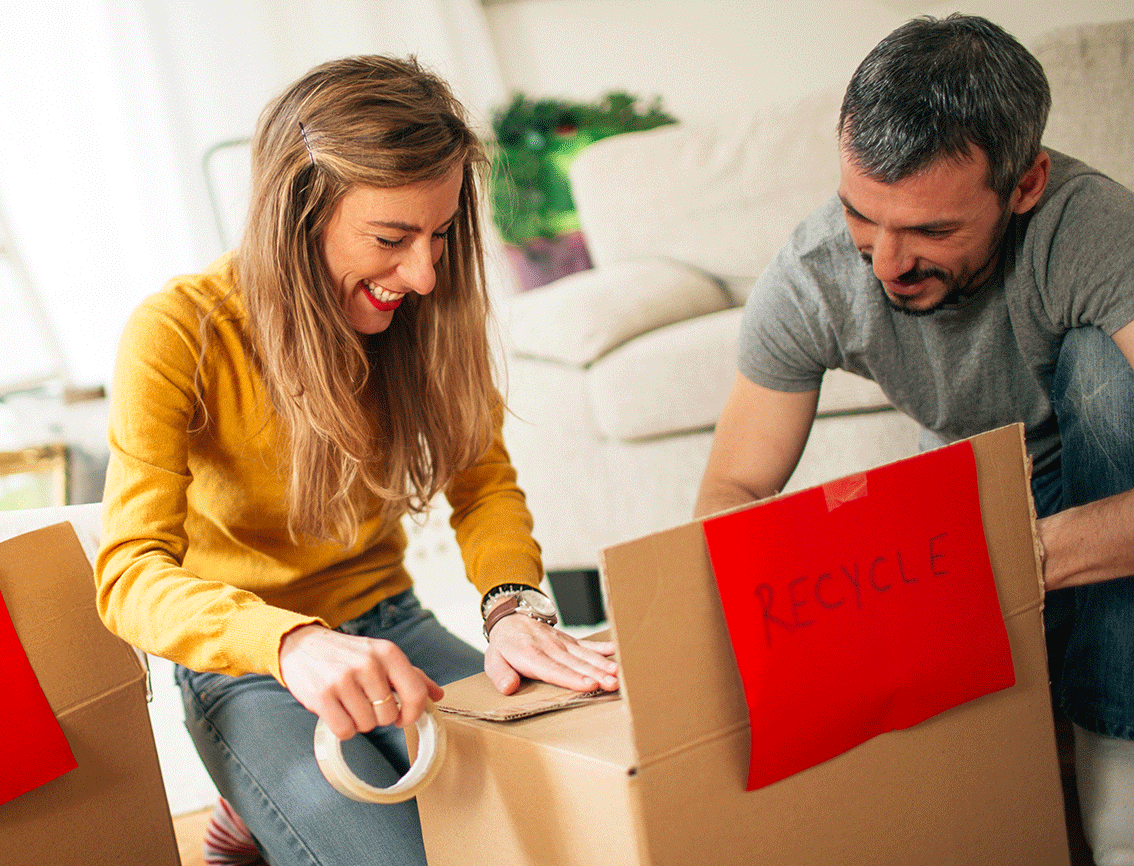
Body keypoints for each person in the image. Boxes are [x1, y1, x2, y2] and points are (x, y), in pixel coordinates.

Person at [94, 54, 619, 866]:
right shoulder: (177, 332)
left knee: (572, 812)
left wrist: (513, 607)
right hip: (251, 667)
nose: (424, 273)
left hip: (391, 627)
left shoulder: (429, 310)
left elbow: (483, 486)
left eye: (440, 234)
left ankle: (266, 810)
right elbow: (129, 573)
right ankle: (259, 797)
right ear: (296, 213)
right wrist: (293, 645)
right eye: (391, 237)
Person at [692, 14, 1134, 865]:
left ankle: (1118, 792)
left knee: (1104, 372)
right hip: (989, 500)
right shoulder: (818, 270)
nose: (888, 261)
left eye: (932, 231)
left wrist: (1023, 554)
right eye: (864, 216)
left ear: (1027, 183)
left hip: (1099, 506)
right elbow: (730, 493)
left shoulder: (1092, 229)